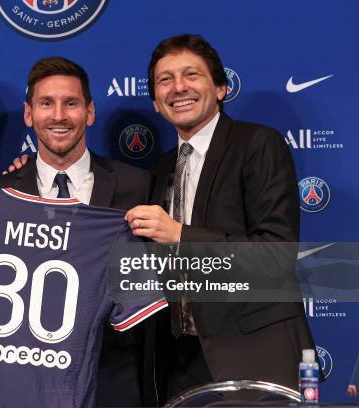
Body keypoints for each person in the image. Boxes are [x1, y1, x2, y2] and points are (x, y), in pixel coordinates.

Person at [125, 34, 316, 403]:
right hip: (181, 362)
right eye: (166, 80)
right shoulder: (161, 166)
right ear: (155, 103)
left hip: (255, 354)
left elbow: (276, 255)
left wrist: (181, 235)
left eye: (191, 75)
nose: (178, 87)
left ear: (221, 88)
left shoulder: (258, 144)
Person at [0, 56, 152, 406]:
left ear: (90, 112)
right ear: (28, 114)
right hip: (24, 380)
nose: (59, 116)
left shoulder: (137, 184)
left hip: (113, 377)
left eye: (71, 103)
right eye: (46, 103)